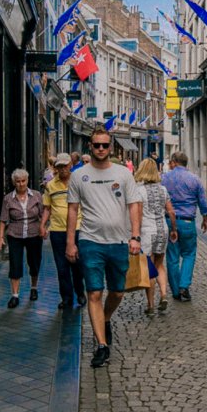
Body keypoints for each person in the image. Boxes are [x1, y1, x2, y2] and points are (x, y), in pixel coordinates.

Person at [66, 127, 142, 368]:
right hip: (90, 241)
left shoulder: (123, 174)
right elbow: (72, 210)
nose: (100, 149)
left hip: (119, 241)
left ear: (111, 147)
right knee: (95, 293)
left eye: (104, 145)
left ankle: (105, 319)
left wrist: (135, 236)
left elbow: (133, 205)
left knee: (118, 292)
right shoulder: (79, 175)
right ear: (90, 146)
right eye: (96, 145)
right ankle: (101, 345)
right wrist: (70, 242)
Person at [41, 153, 86, 310]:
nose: (62, 169)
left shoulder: (79, 183)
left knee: (78, 265)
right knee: (62, 267)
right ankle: (66, 298)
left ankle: (80, 292)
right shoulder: (51, 185)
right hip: (57, 231)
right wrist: (42, 225)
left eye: (65, 166)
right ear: (56, 167)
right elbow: (47, 208)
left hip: (78, 229)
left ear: (70, 165)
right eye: (59, 166)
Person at [162, 151, 207, 302]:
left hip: (170, 221)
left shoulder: (164, 178)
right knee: (189, 254)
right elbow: (202, 201)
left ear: (174, 162)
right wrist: (205, 218)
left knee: (172, 257)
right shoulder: (194, 179)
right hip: (188, 222)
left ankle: (176, 290)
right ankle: (184, 285)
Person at [134, 158, 178, 314]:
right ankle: (164, 295)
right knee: (159, 264)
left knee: (149, 268)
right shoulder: (163, 190)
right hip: (162, 230)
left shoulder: (139, 191)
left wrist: (135, 235)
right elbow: (171, 212)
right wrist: (174, 229)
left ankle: (151, 305)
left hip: (147, 231)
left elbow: (138, 216)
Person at [0, 169, 45, 308]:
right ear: (14, 182)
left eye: (23, 181)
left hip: (34, 234)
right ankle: (15, 295)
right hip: (15, 235)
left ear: (27, 180)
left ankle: (34, 288)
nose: (20, 184)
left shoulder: (36, 195)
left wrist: (44, 227)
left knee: (34, 262)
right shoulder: (8, 198)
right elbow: (3, 220)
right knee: (15, 264)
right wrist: (1, 237)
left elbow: (43, 214)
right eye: (17, 181)